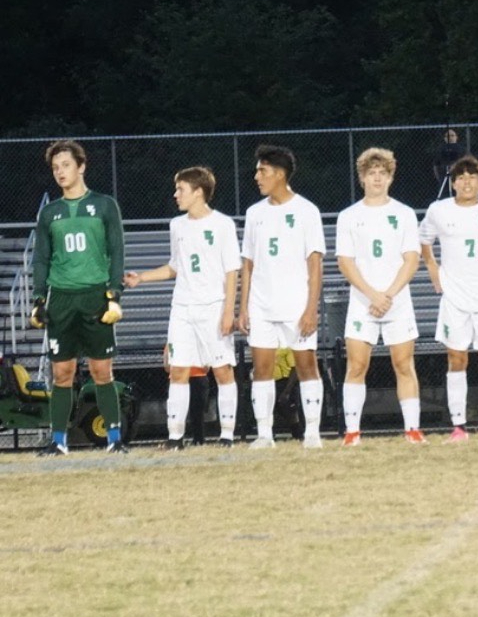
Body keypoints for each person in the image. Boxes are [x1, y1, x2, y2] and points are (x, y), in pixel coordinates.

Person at [125, 167, 240, 449]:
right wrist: (142, 278)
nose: (176, 195)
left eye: (181, 189)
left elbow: (231, 271)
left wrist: (229, 311)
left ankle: (226, 435)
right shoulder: (177, 225)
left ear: (198, 192)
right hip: (183, 308)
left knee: (222, 370)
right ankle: (174, 437)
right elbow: (175, 266)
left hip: (213, 306)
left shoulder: (223, 224)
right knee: (178, 369)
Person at [30, 140, 127, 455]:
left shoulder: (104, 205)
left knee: (102, 371)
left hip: (95, 296)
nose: (60, 172)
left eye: (66, 165)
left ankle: (114, 439)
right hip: (62, 300)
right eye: (55, 167)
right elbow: (41, 259)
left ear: (81, 167)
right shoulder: (50, 213)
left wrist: (114, 295)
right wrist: (38, 298)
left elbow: (117, 252)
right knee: (62, 373)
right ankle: (58, 441)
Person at [238, 145, 326, 449]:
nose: (257, 176)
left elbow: (315, 264)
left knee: (306, 366)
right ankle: (265, 434)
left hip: (296, 303)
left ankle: (312, 432)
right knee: (261, 368)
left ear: (279, 174)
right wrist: (244, 307)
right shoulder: (254, 213)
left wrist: (311, 309)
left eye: (262, 171)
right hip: (262, 304)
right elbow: (247, 264)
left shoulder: (306, 211)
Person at [420, 155, 478, 442]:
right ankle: (458, 427)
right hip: (454, 295)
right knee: (456, 358)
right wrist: (433, 269)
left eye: (472, 177)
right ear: (453, 183)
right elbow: (424, 240)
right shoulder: (438, 209)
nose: (466, 182)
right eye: (460, 177)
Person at [336, 147, 423, 446]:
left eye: (382, 173)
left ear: (390, 177)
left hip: (397, 301)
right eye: (371, 173)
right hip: (363, 302)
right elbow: (345, 262)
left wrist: (388, 294)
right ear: (362, 178)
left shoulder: (404, 214)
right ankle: (352, 432)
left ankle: (412, 429)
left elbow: (412, 259)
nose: (376, 178)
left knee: (404, 363)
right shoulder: (349, 216)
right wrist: (372, 294)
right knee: (357, 365)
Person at [433, 129, 464, 197]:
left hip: (458, 175)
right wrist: (439, 177)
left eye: (452, 135)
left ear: (456, 137)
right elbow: (436, 164)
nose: (450, 138)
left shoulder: (461, 149)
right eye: (448, 136)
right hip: (444, 176)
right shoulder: (441, 149)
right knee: (444, 195)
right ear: (445, 138)